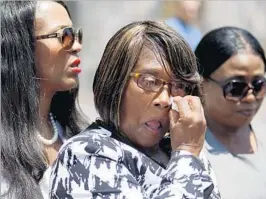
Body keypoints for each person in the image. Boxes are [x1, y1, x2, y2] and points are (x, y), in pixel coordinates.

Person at [49, 20, 221, 198]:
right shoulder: (87, 153)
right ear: (116, 83)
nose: (164, 100)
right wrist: (186, 154)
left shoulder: (178, 149)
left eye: (178, 85)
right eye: (148, 81)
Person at [1, 1, 87, 199]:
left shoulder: (77, 135)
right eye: (64, 35)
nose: (77, 45)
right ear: (22, 46)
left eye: (76, 34)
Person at [195, 26, 266, 199]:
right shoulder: (183, 155)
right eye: (236, 87)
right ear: (201, 85)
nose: (251, 98)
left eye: (259, 85)